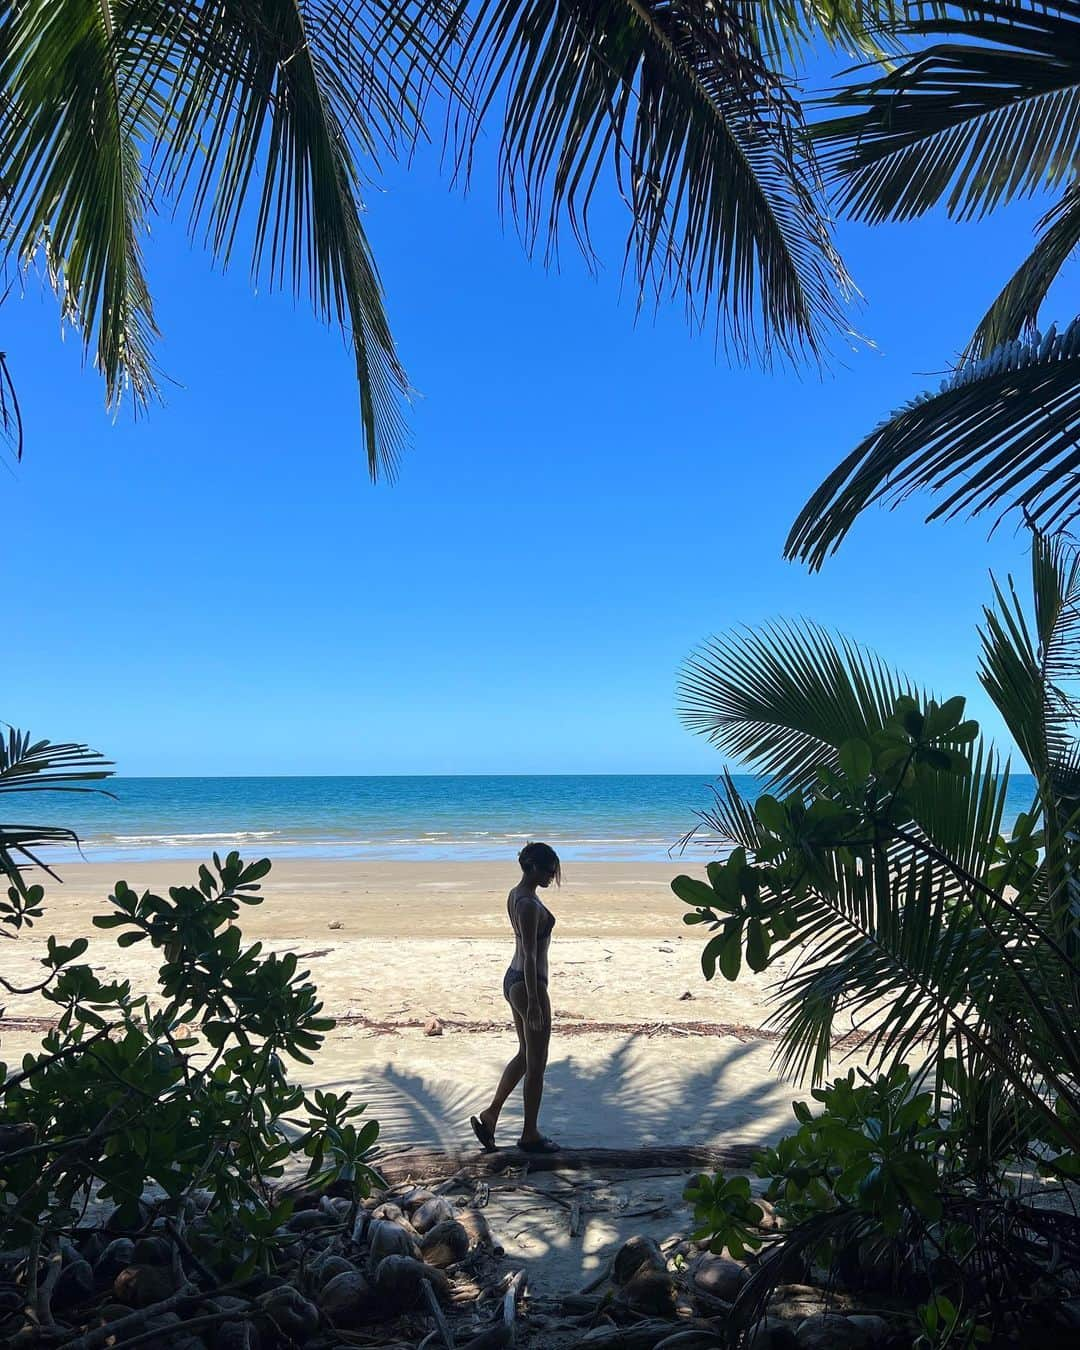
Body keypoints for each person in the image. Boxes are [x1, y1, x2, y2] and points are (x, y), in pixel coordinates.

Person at [470, 841, 561, 1153]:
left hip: (515, 979)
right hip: (528, 983)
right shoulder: (526, 904)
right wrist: (535, 1001)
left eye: (554, 871)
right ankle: (529, 1134)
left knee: (525, 1054)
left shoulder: (518, 895)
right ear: (532, 867)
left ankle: (491, 1115)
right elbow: (533, 956)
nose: (551, 876)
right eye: (548, 870)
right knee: (537, 1063)